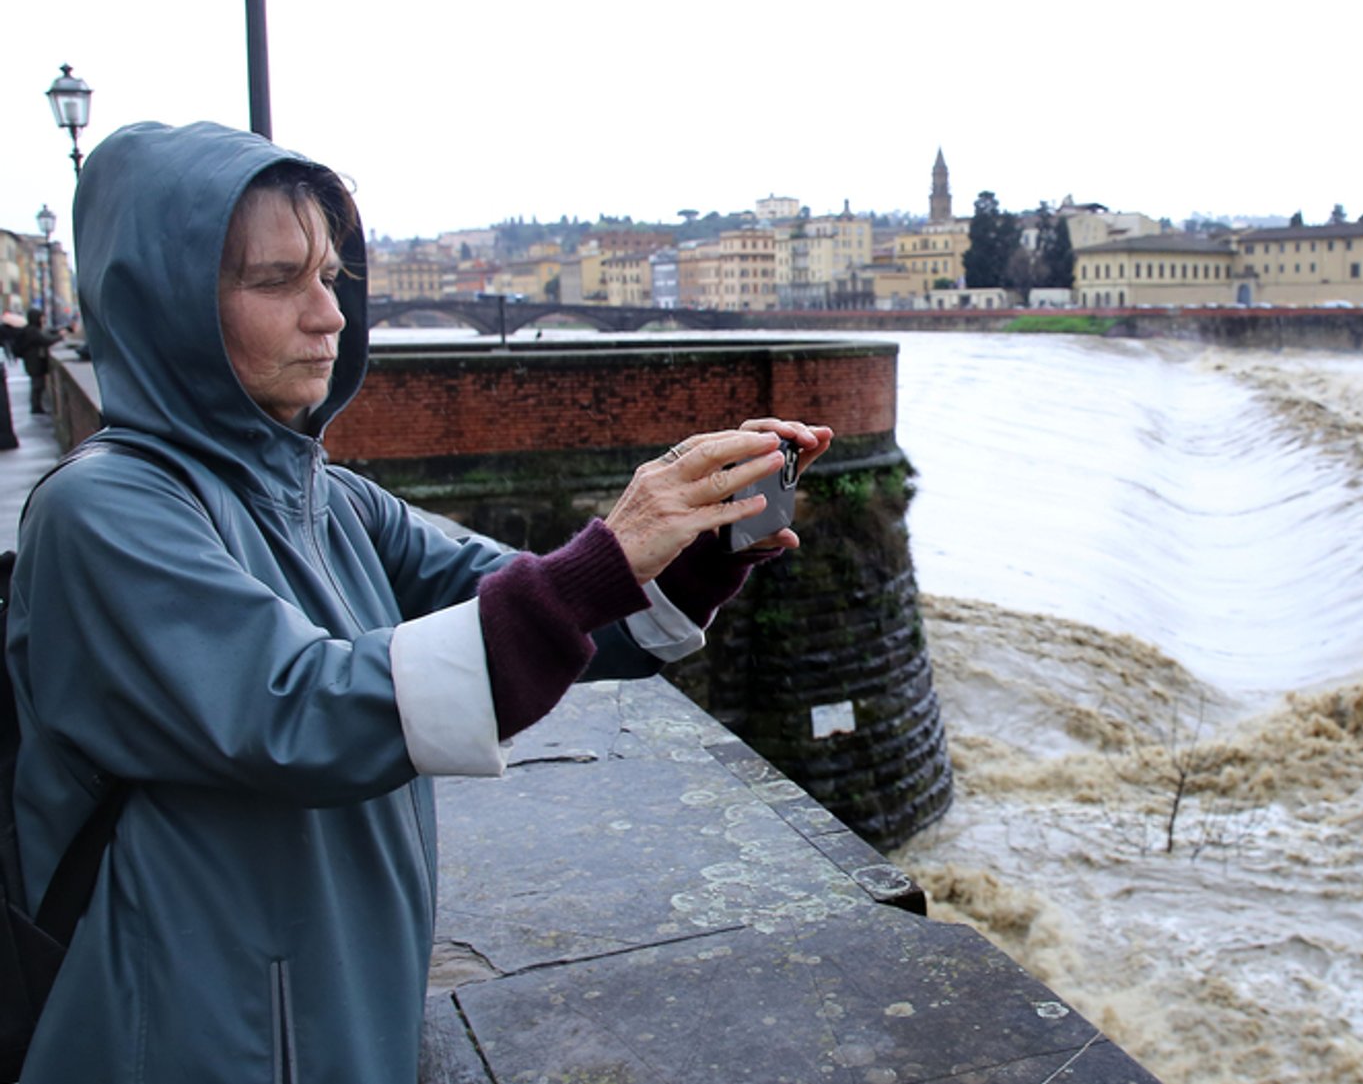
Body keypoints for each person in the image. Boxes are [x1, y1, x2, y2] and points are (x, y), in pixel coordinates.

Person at [5, 120, 832, 1082]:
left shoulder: (330, 496)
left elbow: (540, 613)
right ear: (161, 306)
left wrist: (693, 550)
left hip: (335, 1000)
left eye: (328, 278)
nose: (331, 317)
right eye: (277, 281)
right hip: (192, 1028)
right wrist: (605, 552)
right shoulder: (102, 510)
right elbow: (299, 708)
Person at [14, 307, 62, 415]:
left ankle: (37, 406)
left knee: (37, 385)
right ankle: (36, 407)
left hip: (32, 362)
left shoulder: (30, 330)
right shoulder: (32, 331)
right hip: (33, 363)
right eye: (41, 317)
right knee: (37, 385)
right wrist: (60, 337)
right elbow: (45, 340)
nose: (43, 320)